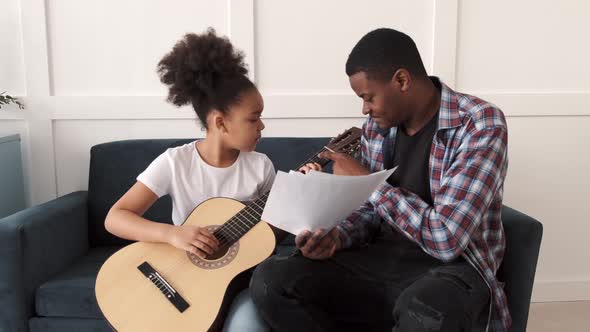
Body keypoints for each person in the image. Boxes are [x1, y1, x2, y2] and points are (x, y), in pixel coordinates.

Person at [251, 28, 510, 331]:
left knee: (425, 312)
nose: (365, 108)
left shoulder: (479, 123)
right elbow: (369, 215)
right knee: (273, 281)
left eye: (368, 97)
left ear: (401, 81)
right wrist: (336, 237)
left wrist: (369, 182)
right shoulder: (377, 128)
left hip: (452, 271)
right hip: (379, 262)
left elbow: (447, 239)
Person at [104, 28, 274, 332]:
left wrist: (300, 194)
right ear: (220, 122)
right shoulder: (175, 162)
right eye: (253, 117)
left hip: (240, 280)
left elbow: (273, 232)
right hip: (182, 279)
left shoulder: (261, 167)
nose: (262, 125)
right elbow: (115, 218)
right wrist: (172, 234)